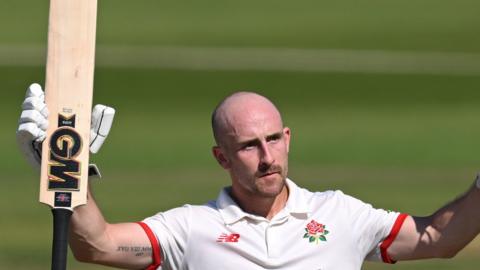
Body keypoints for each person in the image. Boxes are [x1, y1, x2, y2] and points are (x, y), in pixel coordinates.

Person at [17, 83, 480, 270]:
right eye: (248, 146)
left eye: (274, 140)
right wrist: (65, 173)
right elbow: (94, 245)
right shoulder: (190, 229)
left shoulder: (340, 215)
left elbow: (438, 237)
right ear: (222, 157)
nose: (267, 157)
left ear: (288, 138)